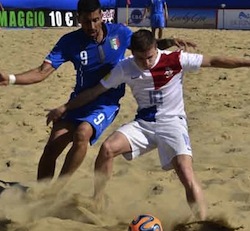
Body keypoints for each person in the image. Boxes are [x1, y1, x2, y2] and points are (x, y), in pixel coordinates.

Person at [47, 29, 250, 220]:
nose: (147, 62)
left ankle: (202, 220)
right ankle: (97, 201)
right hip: (144, 124)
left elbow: (213, 61)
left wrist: (246, 62)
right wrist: (65, 107)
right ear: (132, 52)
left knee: (185, 171)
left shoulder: (175, 59)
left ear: (156, 48)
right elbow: (95, 92)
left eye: (150, 56)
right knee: (107, 148)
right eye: (141, 58)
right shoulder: (125, 67)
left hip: (173, 124)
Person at [0, 0, 195, 182]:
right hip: (79, 99)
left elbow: (144, 47)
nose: (92, 26)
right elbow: (42, 72)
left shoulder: (119, 32)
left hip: (106, 101)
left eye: (95, 20)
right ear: (78, 19)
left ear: (102, 15)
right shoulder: (69, 41)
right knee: (52, 147)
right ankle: (40, 193)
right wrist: (10, 79)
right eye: (86, 22)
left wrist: (169, 40)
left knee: (82, 133)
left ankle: (56, 191)